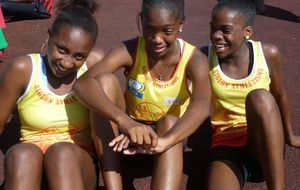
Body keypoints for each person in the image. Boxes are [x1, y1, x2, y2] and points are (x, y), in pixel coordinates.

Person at [73, 0, 211, 189]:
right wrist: (126, 122)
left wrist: (165, 141)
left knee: (169, 121)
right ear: (141, 20)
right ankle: (115, 186)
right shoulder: (130, 49)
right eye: (149, 29)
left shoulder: (194, 59)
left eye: (167, 31)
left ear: (181, 24)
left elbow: (203, 105)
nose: (156, 39)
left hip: (166, 141)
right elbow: (82, 84)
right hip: (127, 136)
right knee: (103, 81)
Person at [0, 0, 105, 189]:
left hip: (75, 165)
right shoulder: (23, 69)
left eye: (78, 56)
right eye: (62, 50)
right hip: (31, 168)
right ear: (49, 36)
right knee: (21, 153)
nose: (66, 63)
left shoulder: (95, 66)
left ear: (89, 53)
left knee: (61, 153)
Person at [201, 0, 300, 189]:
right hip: (227, 144)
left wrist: (290, 135)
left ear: (247, 32)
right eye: (213, 28)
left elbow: (279, 95)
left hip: (263, 142)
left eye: (225, 30)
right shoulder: (205, 56)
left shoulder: (268, 54)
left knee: (260, 97)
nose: (216, 36)